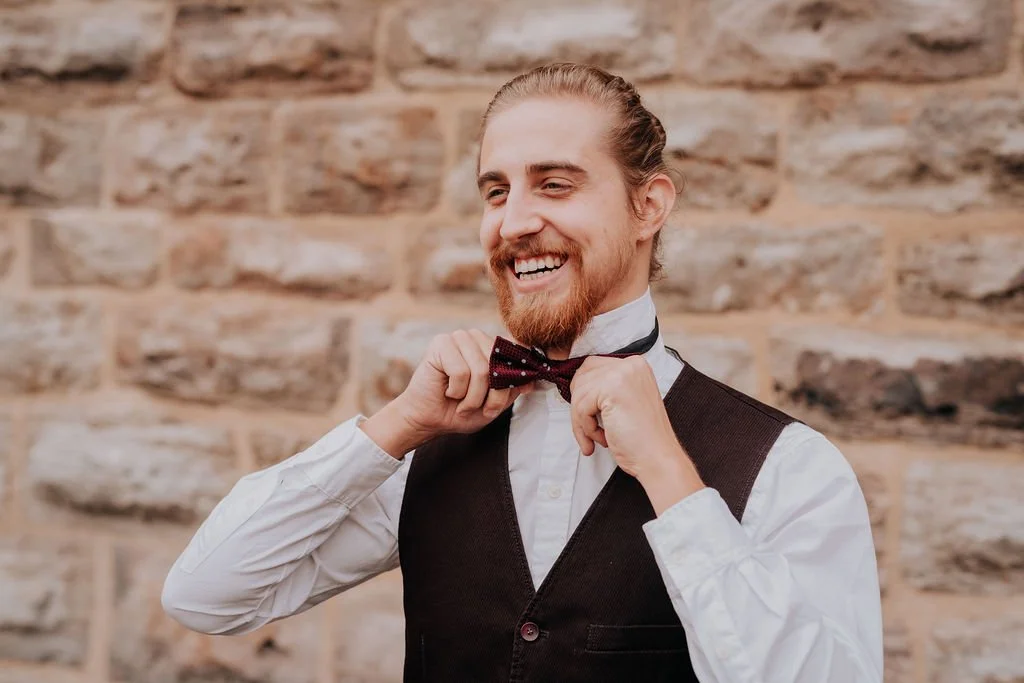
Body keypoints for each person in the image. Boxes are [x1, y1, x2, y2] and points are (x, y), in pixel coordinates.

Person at [162, 63, 883, 682]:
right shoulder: (427, 451)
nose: (513, 222)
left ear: (649, 206)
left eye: (555, 185)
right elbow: (206, 595)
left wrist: (671, 476)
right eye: (496, 190)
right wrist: (393, 428)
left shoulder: (789, 467)